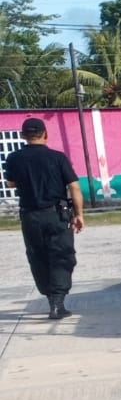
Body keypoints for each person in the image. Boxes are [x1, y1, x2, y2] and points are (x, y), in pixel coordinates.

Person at [4, 118, 85, 319]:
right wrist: (79, 214)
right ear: (45, 133)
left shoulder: (14, 158)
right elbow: (74, 186)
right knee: (62, 254)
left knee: (37, 256)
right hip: (56, 214)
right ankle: (58, 303)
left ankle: (51, 299)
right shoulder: (58, 158)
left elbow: (11, 183)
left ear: (23, 136)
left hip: (30, 216)